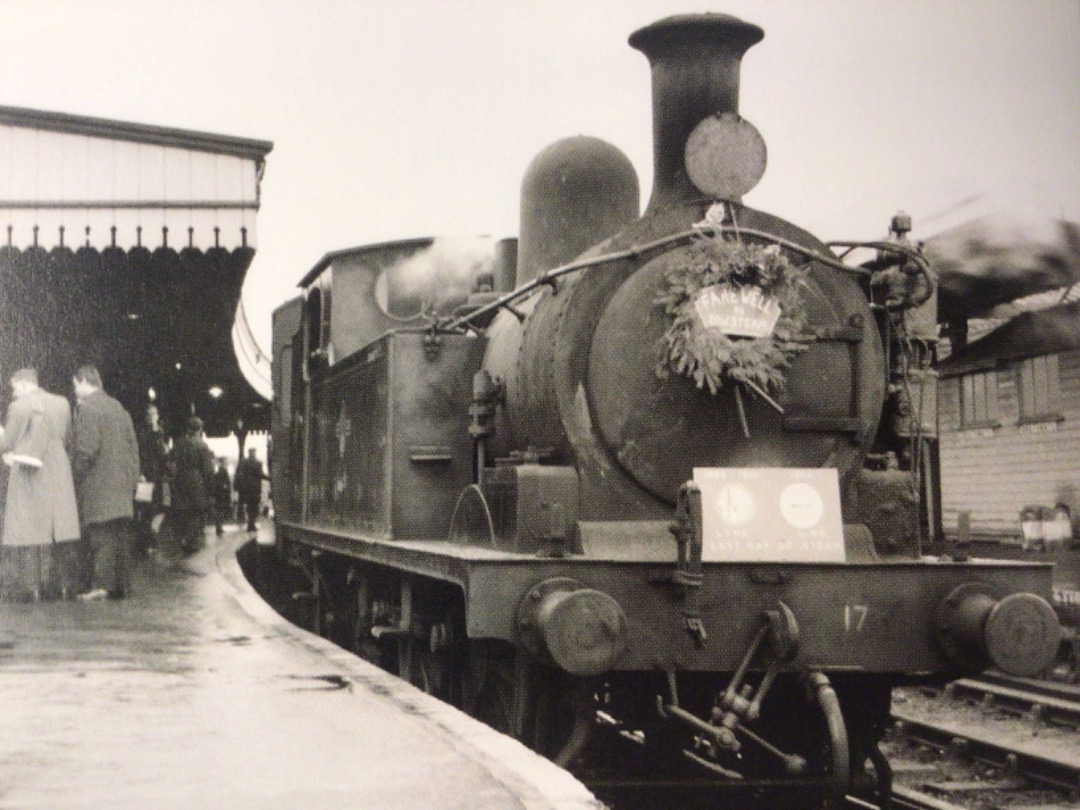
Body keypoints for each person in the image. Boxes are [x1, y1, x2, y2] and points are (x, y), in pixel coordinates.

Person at [0, 369, 82, 600]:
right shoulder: (62, 403)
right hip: (58, 468)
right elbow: (67, 437)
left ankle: (33, 587)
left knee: (29, 529)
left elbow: (7, 443)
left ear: (25, 384)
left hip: (30, 471)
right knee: (60, 528)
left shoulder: (19, 407)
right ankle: (64, 586)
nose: (14, 393)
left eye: (15, 387)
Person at [70, 365, 140, 601]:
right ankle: (121, 586)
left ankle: (101, 586)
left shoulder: (89, 409)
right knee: (120, 537)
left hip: (99, 485)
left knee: (101, 538)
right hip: (122, 485)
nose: (74, 390)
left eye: (75, 385)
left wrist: (75, 476)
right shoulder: (119, 409)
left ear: (83, 381)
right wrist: (131, 480)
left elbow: (86, 451)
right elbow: (133, 449)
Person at [168, 416, 215, 555]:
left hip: (180, 480)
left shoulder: (179, 443)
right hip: (196, 482)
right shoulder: (201, 445)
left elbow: (171, 461)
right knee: (197, 511)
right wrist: (211, 490)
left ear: (188, 429)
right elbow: (208, 470)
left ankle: (184, 538)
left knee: (183, 511)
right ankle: (190, 541)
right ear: (200, 429)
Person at [134, 403, 170, 555]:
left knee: (156, 508)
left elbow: (162, 454)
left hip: (156, 477)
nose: (152, 417)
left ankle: (149, 538)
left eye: (154, 414)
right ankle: (148, 541)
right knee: (148, 509)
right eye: (150, 414)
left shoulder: (158, 432)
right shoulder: (148, 433)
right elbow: (158, 453)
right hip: (147, 477)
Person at [233, 447, 268, 533]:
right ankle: (251, 524)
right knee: (254, 507)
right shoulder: (258, 463)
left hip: (246, 490)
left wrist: (238, 487)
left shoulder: (243, 462)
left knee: (249, 507)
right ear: (254, 453)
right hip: (255, 489)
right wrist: (270, 478)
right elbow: (261, 474)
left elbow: (238, 474)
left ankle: (250, 524)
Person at [210, 457, 232, 536]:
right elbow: (225, 482)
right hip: (222, 493)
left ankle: (219, 527)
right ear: (222, 462)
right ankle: (219, 527)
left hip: (220, 493)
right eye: (224, 462)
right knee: (220, 510)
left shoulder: (219, 470)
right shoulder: (222, 470)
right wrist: (225, 488)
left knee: (220, 510)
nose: (225, 463)